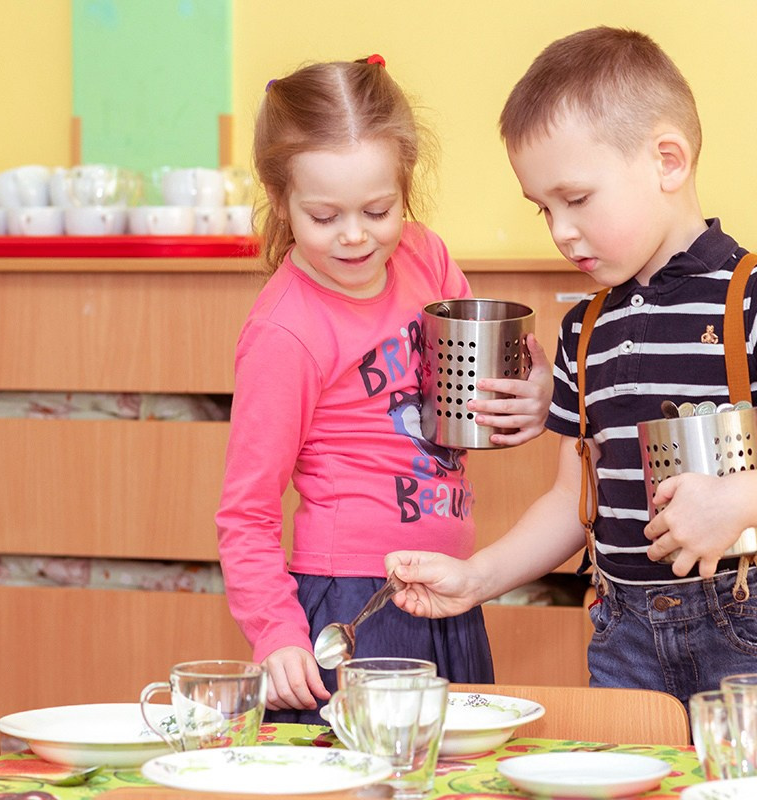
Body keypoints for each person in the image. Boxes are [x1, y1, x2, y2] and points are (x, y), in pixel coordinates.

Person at [386, 28, 757, 705]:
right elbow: (569, 502)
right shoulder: (585, 329)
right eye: (544, 210)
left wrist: (735, 502)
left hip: (754, 625)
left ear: (667, 162)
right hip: (624, 634)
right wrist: (478, 577)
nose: (560, 230)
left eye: (577, 199)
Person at [216, 55, 552, 723]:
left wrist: (539, 387)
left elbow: (493, 368)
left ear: (405, 188)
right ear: (281, 201)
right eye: (323, 215)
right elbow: (245, 514)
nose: (354, 235)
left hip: (451, 588)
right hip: (355, 602)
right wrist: (276, 633)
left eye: (378, 209)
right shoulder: (287, 332)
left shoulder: (423, 255)